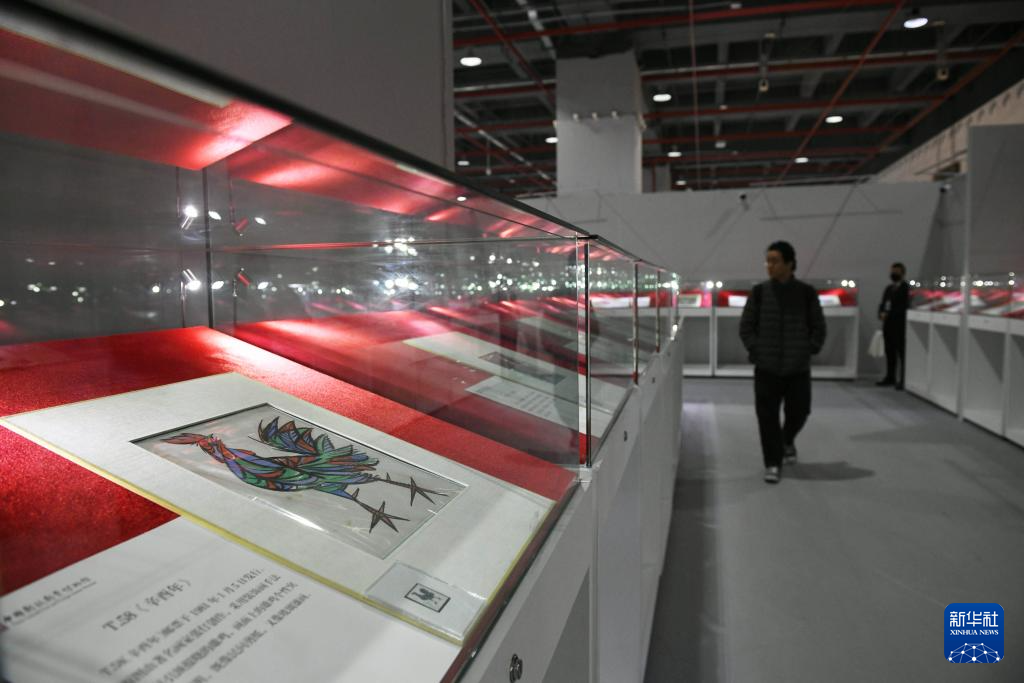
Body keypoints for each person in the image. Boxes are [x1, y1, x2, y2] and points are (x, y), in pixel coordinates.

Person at [739, 241, 827, 484]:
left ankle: (787, 439)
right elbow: (746, 327)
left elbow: (818, 326)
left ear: (790, 263)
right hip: (766, 367)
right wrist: (756, 349)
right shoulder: (759, 293)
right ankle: (772, 462)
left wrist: (809, 349)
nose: (769, 266)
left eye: (775, 261)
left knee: (800, 411)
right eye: (767, 261)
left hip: (797, 368)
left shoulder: (806, 293)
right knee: (766, 417)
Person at [877, 262, 909, 389]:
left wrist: (890, 314)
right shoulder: (889, 288)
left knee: (902, 353)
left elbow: (904, 306)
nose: (894, 274)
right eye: (892, 271)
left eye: (896, 272)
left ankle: (904, 379)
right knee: (889, 352)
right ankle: (890, 377)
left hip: (900, 326)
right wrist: (881, 313)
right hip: (888, 325)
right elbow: (883, 303)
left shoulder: (906, 288)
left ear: (902, 273)